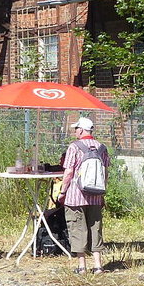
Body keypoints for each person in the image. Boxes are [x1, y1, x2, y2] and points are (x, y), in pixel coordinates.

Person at [58, 116, 109, 274]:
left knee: (77, 227)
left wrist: (62, 192)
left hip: (76, 195)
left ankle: (82, 266)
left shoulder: (74, 147)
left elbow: (68, 173)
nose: (75, 131)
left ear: (81, 130)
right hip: (95, 195)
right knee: (95, 228)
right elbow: (105, 172)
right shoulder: (101, 147)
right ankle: (98, 265)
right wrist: (102, 193)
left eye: (76, 129)